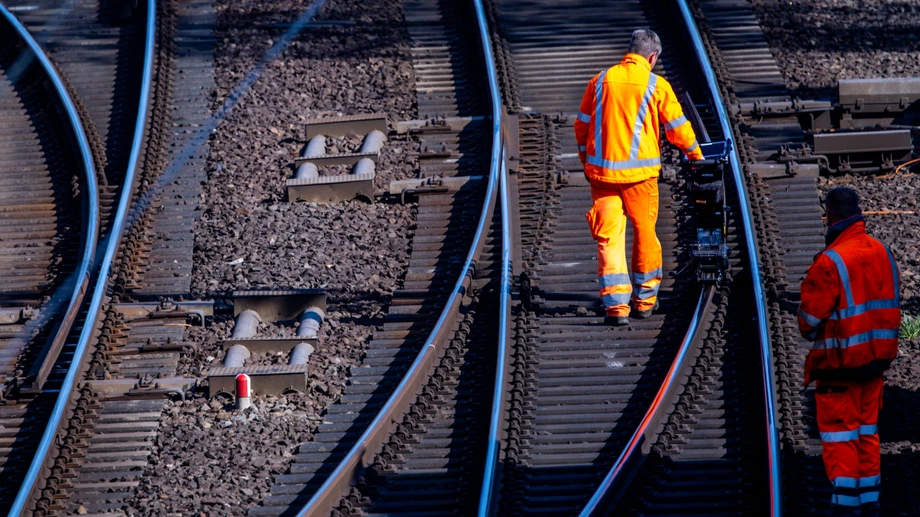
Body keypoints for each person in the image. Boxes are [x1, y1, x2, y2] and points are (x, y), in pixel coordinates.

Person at [574, 29, 704, 326]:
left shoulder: (600, 81)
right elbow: (678, 128)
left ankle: (616, 307)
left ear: (629, 50)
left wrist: (587, 161)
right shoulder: (656, 85)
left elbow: (581, 126)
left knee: (609, 237)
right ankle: (645, 301)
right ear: (653, 56)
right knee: (645, 233)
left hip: (603, 178)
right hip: (640, 180)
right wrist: (696, 156)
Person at [797, 187, 901, 517]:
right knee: (867, 432)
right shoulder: (882, 252)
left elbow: (809, 321)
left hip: (838, 366)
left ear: (829, 215)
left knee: (840, 436)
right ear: (859, 212)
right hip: (875, 364)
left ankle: (844, 507)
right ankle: (870, 502)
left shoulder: (830, 262)